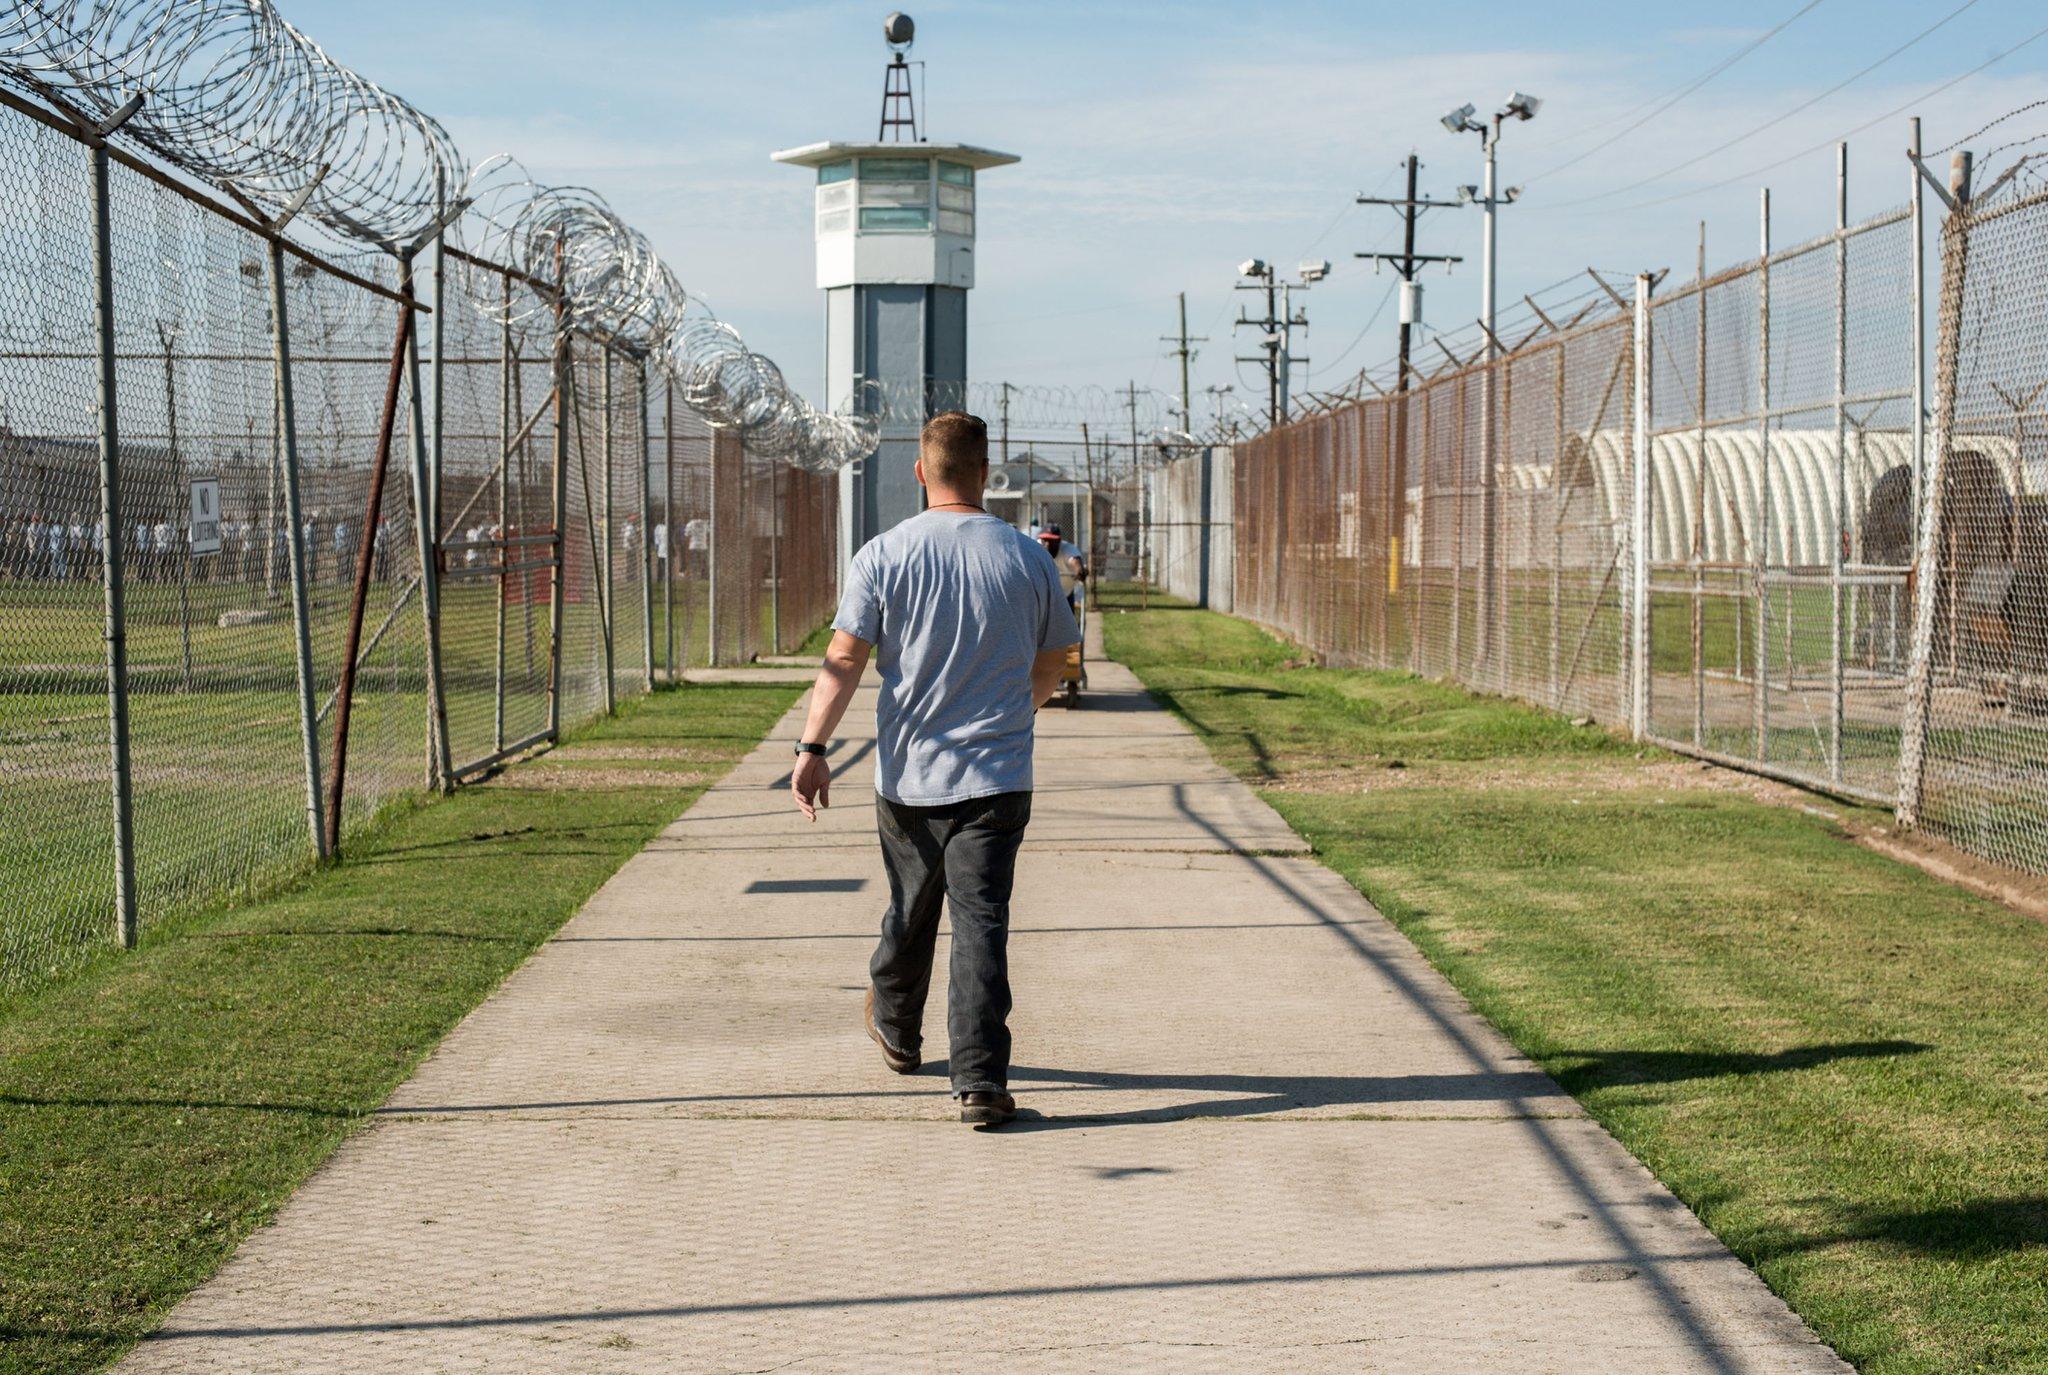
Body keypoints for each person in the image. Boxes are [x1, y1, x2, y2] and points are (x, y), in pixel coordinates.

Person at [790, 412, 1079, 1129]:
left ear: (920, 472)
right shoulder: (1027, 558)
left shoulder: (884, 554)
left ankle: (898, 1019)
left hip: (910, 776)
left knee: (912, 910)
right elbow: (1057, 659)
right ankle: (977, 1079)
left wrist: (812, 749)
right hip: (999, 775)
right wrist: (1021, 707)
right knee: (982, 923)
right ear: (986, 472)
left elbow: (845, 660)